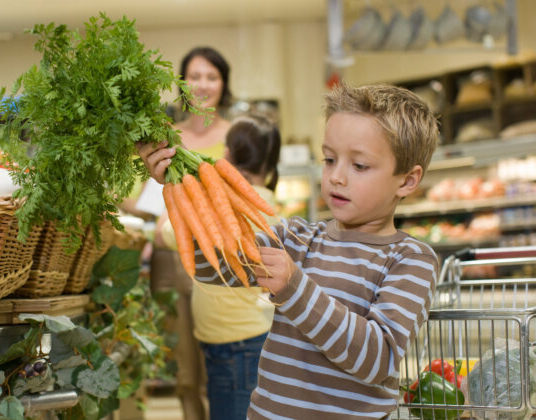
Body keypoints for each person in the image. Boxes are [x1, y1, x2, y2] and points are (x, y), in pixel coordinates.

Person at [138, 82, 440, 419]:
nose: (336, 177)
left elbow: (376, 360)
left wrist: (294, 287)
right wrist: (181, 189)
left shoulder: (410, 260)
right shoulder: (296, 238)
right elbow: (213, 267)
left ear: (407, 180)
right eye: (329, 159)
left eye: (359, 166)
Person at [160, 114, 281, 420]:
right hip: (252, 335)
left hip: (234, 346)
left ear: (226, 155)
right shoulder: (272, 207)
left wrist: (172, 196)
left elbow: (168, 234)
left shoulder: (218, 205)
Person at [149, 46, 232, 420]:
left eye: (211, 76)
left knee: (219, 362)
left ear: (224, 83)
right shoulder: (166, 138)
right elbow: (136, 197)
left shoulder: (235, 135)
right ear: (181, 84)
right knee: (183, 370)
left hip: (218, 256)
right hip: (170, 257)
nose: (202, 85)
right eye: (194, 77)